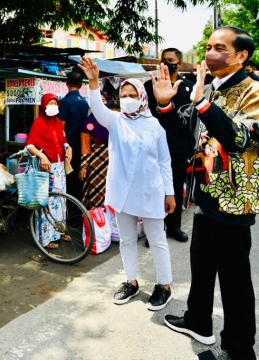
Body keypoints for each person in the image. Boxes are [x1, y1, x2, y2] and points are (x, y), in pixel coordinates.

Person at [158, 26, 258, 360]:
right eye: (208, 46)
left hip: (234, 201)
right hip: (206, 196)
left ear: (241, 55)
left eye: (219, 47)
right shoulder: (211, 89)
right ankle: (198, 321)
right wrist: (166, 107)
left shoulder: (253, 91)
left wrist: (201, 102)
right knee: (201, 267)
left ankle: (240, 347)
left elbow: (239, 138)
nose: (209, 52)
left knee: (235, 279)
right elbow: (187, 136)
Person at [78, 56, 176, 311]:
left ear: (142, 96)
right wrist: (93, 82)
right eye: (124, 94)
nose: (127, 99)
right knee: (127, 240)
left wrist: (170, 193)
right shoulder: (116, 121)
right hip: (122, 194)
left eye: (132, 94)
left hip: (151, 193)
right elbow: (97, 109)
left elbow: (165, 162)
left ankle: (164, 286)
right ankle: (130, 282)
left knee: (157, 240)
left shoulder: (155, 126)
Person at [144, 47, 194, 242]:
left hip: (179, 147)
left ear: (179, 64)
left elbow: (193, 121)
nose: (166, 63)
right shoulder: (150, 86)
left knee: (175, 186)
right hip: (155, 145)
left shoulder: (188, 87)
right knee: (155, 188)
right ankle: (156, 231)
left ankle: (174, 227)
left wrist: (191, 147)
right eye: (163, 60)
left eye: (171, 60)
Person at [25, 93, 72, 249]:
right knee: (48, 202)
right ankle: (46, 238)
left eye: (55, 103)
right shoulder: (38, 123)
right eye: (50, 103)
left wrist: (68, 147)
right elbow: (29, 145)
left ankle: (59, 230)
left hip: (59, 169)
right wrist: (42, 156)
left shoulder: (58, 122)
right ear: (44, 105)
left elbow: (63, 140)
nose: (53, 106)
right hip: (47, 168)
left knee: (60, 200)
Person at [58, 68, 90, 201]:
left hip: (68, 149)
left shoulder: (65, 102)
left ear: (67, 83)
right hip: (82, 147)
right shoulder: (84, 102)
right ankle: (78, 216)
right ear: (81, 85)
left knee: (68, 182)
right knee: (79, 182)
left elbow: (61, 127)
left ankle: (69, 212)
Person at [78, 92, 110, 209]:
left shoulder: (114, 120)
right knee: (96, 192)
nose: (101, 104)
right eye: (98, 101)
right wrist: (84, 166)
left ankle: (110, 223)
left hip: (113, 162)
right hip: (96, 163)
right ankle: (95, 224)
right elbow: (85, 147)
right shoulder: (88, 123)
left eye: (104, 101)